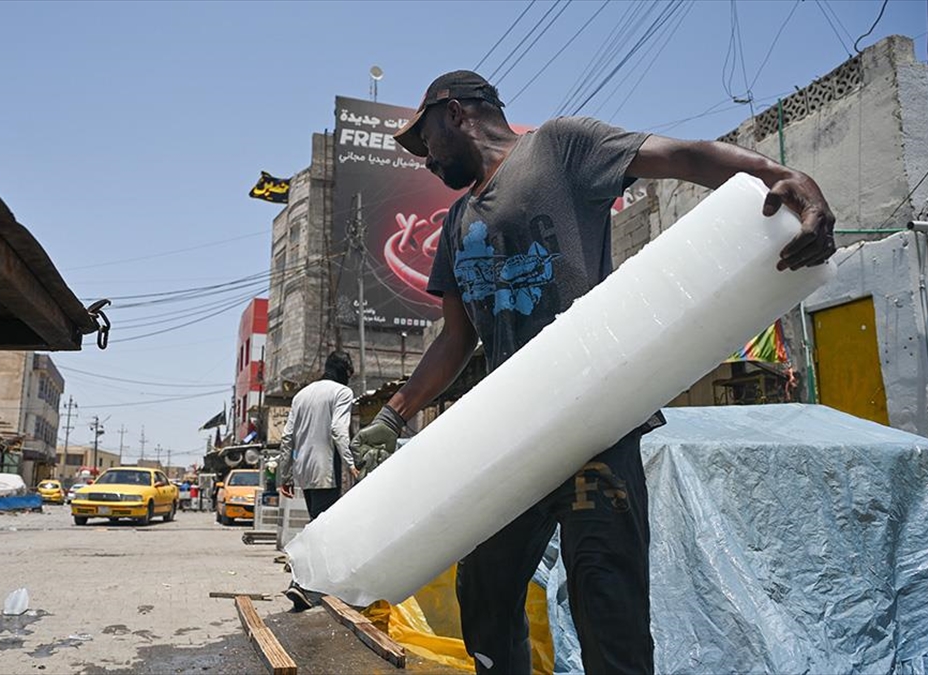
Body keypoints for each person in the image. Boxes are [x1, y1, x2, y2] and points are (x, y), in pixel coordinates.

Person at [349, 70, 835, 675]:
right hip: (506, 439)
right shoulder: (455, 223)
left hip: (591, 428)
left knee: (607, 597)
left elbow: (684, 156)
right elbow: (456, 339)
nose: (424, 161)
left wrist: (784, 178)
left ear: (453, 113)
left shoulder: (559, 148)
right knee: (486, 593)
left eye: (424, 142)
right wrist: (395, 412)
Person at [278, 350, 359, 610]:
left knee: (319, 525)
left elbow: (287, 437)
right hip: (327, 469)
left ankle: (313, 585)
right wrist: (351, 463)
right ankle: (301, 583)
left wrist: (285, 474)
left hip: (305, 471)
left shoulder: (302, 394)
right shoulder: (342, 393)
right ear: (346, 370)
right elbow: (338, 429)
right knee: (322, 531)